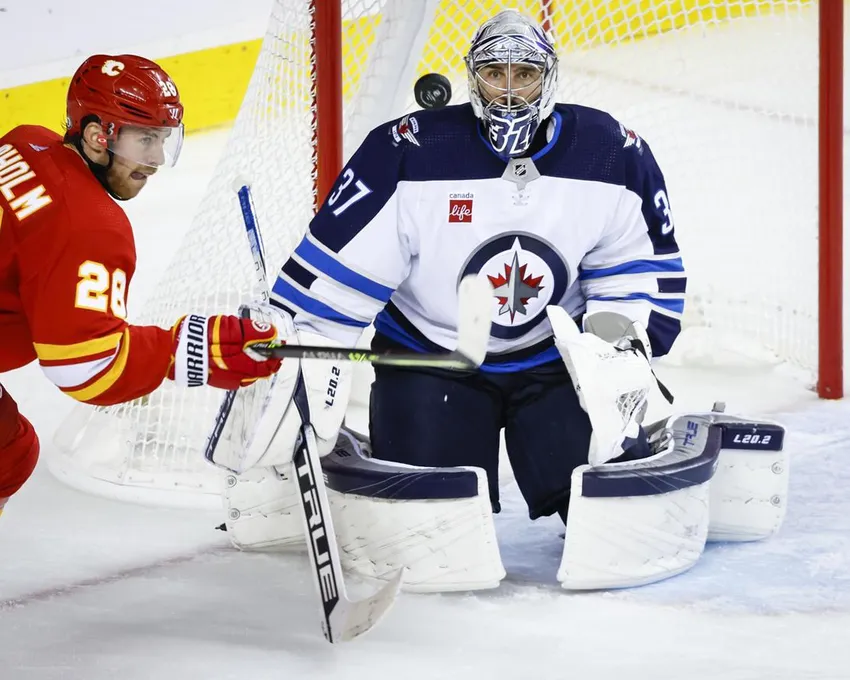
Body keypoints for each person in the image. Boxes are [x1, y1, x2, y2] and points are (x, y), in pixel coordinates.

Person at [243, 10, 687, 522]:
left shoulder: (609, 152)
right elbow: (339, 275)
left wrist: (616, 355)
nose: (508, 91)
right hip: (431, 356)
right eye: (493, 74)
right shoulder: (409, 151)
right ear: (471, 77)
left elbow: (634, 267)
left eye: (525, 74)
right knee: (431, 515)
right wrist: (306, 356)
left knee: (603, 509)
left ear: (549, 77)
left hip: (554, 363)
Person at [0, 55, 282, 517]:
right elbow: (84, 366)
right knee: (7, 455)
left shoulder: (26, 141)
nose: (155, 160)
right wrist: (183, 350)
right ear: (97, 136)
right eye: (145, 139)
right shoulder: (90, 227)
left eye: (163, 140)